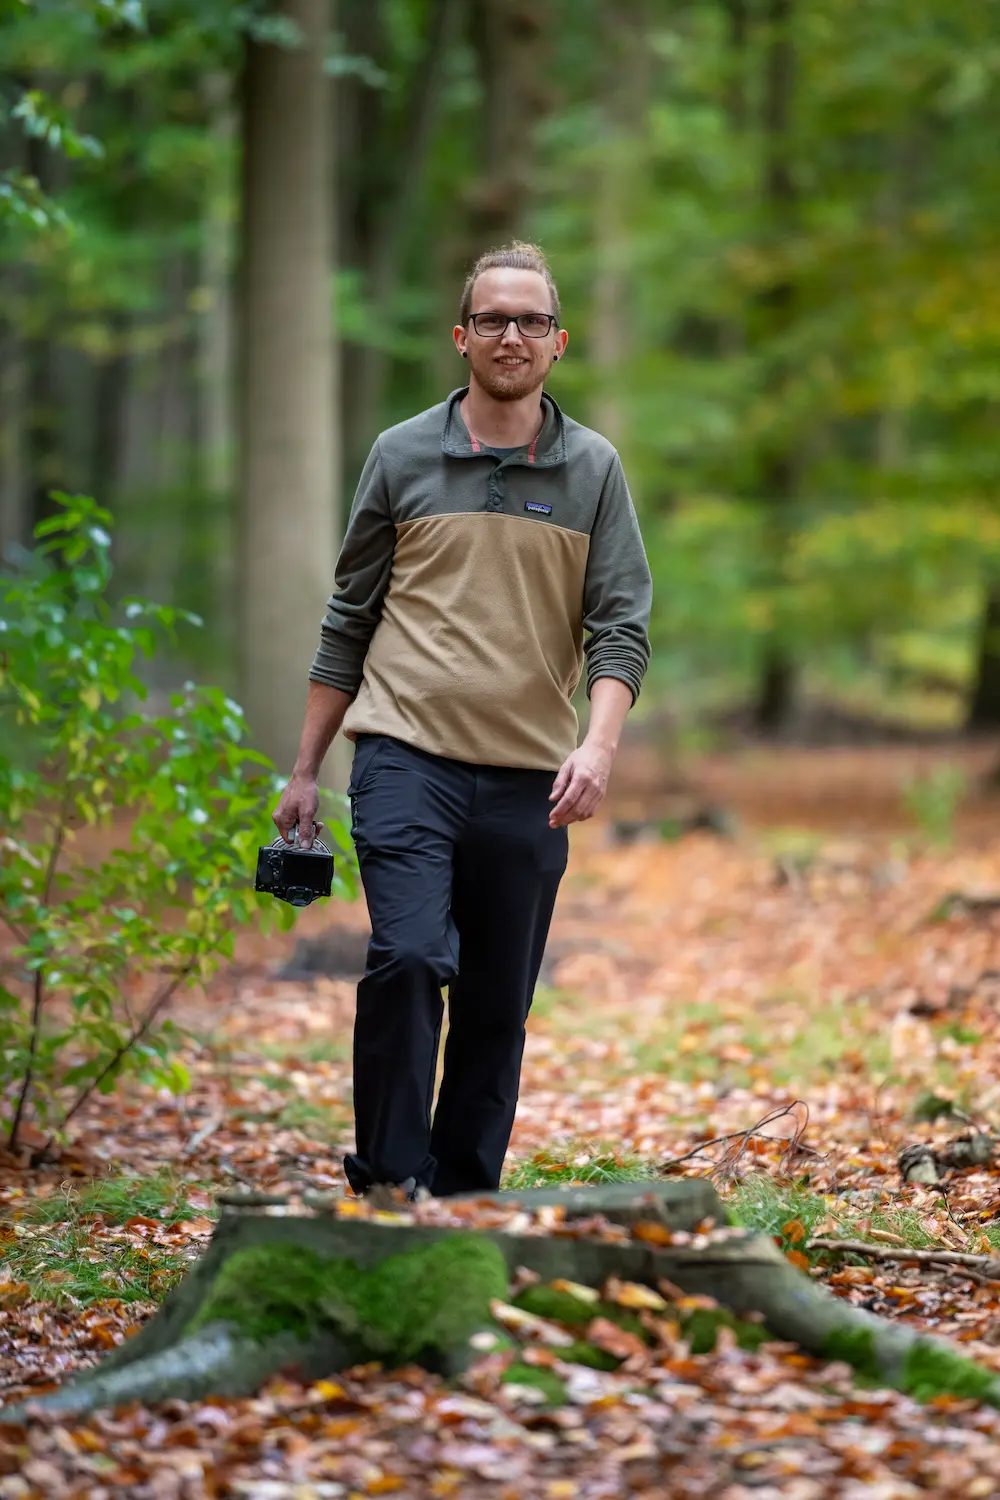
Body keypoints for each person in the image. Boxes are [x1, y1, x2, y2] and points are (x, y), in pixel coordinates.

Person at [273, 240, 651, 1200]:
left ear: (558, 342)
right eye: (493, 319)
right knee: (405, 958)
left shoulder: (593, 470)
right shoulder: (400, 455)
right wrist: (307, 769)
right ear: (462, 336)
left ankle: (465, 1198)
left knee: (495, 1004)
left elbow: (621, 628)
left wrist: (598, 746)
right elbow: (348, 616)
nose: (511, 335)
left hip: (529, 776)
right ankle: (388, 1188)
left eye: (530, 320)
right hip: (405, 757)